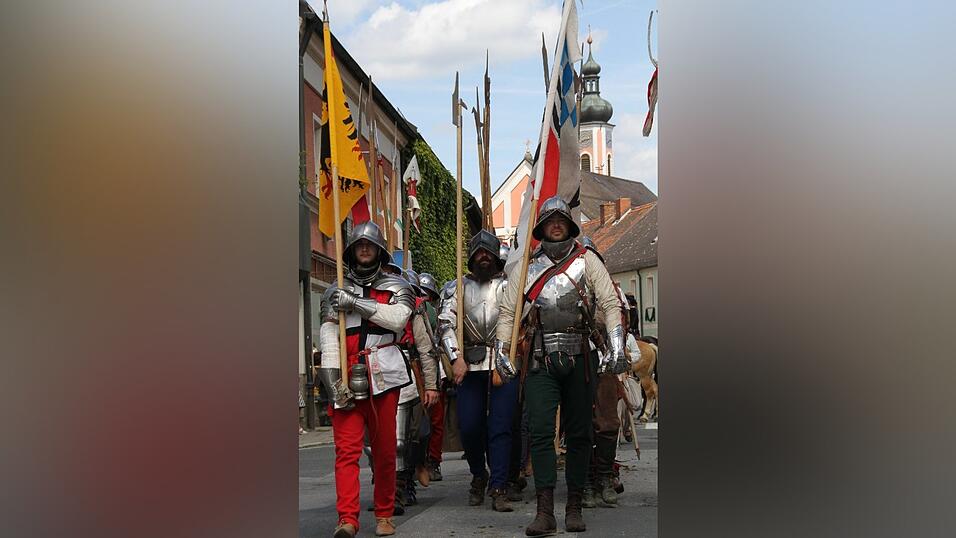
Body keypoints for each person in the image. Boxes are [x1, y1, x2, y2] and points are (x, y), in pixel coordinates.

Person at [495, 196, 626, 536]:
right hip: (540, 356)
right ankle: (544, 511)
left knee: (581, 431)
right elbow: (509, 312)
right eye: (550, 220)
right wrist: (502, 351)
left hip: (581, 354)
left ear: (569, 225)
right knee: (539, 431)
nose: (556, 225)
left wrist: (616, 345)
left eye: (561, 220)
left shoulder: (588, 261)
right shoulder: (526, 265)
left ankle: (574, 507)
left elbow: (610, 302)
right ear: (541, 227)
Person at [316, 221, 416, 538]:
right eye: (358, 245)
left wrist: (355, 303)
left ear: (379, 251)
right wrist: (332, 381)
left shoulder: (397, 287)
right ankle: (347, 518)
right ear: (350, 250)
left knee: (386, 451)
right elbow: (329, 335)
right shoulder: (335, 289)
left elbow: (398, 319)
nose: (363, 249)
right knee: (346, 452)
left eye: (369, 245)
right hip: (346, 374)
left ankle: (385, 513)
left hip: (384, 374)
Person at [437, 230, 517, 512]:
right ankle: (477, 474)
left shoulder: (511, 286)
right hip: (469, 363)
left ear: (496, 256)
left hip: (502, 361)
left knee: (501, 426)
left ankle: (499, 485)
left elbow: (524, 320)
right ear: (471, 257)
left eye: (488, 252)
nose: (483, 256)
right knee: (470, 426)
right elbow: (445, 324)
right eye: (478, 252)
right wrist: (455, 357)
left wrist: (508, 355)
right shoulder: (456, 287)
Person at [578, 236, 633, 508]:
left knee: (609, 423)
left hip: (605, 362)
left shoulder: (612, 291)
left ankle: (603, 476)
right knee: (581, 423)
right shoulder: (569, 285)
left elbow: (620, 322)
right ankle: (586, 480)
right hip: (577, 357)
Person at [417, 272, 447, 482]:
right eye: (422, 294)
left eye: (428, 294)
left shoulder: (433, 313)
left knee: (435, 421)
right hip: (411, 368)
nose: (425, 298)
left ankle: (433, 461)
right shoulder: (413, 308)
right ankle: (415, 465)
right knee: (415, 424)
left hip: (433, 368)